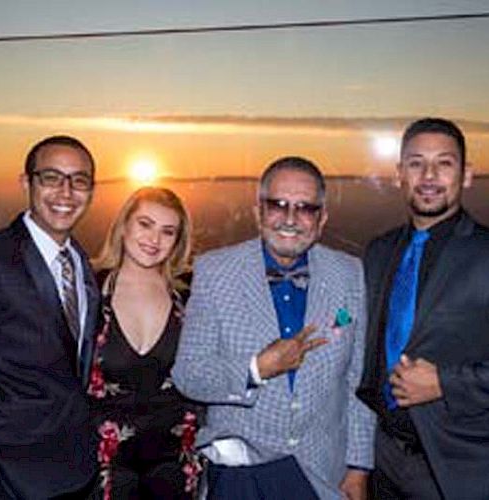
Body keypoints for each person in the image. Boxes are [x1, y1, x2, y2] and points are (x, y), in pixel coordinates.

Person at [173, 156, 375, 500]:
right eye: (278, 205)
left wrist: (357, 469)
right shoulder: (215, 272)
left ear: (322, 218)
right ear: (258, 212)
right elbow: (189, 374)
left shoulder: (349, 273)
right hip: (243, 477)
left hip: (323, 476)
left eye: (305, 208)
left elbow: (356, 382)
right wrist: (257, 369)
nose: (290, 219)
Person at [357, 117, 489, 499]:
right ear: (400, 174)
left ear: (466, 175)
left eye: (444, 163)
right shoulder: (378, 252)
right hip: (381, 458)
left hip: (457, 467)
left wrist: (444, 382)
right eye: (416, 163)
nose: (428, 175)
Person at [0, 135, 99, 498]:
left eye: (79, 180)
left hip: (75, 469)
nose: (66, 192)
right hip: (8, 472)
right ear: (27, 183)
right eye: (51, 177)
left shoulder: (80, 262)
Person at [89, 187, 202, 499]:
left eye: (168, 232)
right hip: (103, 465)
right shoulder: (87, 290)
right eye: (145, 224)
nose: (154, 239)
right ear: (124, 224)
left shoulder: (190, 297)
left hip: (174, 463)